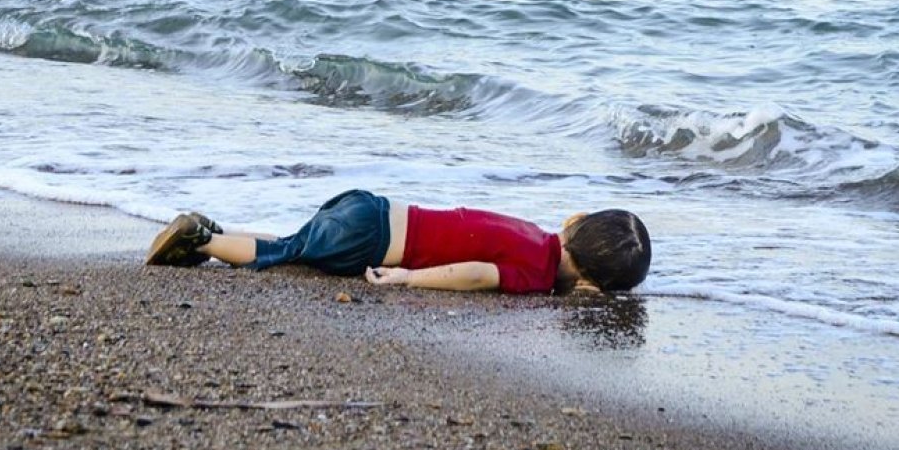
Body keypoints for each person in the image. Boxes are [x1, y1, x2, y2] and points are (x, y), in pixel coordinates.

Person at [145, 189, 650, 294]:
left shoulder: (535, 233)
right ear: (593, 282)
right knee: (282, 255)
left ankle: (216, 231)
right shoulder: (537, 274)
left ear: (575, 224)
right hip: (373, 239)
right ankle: (202, 240)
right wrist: (409, 278)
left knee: (294, 243)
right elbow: (476, 275)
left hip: (376, 208)